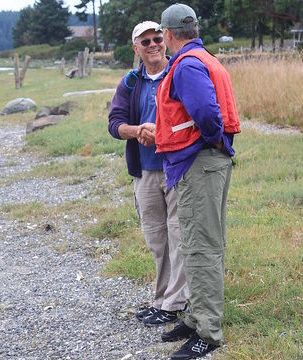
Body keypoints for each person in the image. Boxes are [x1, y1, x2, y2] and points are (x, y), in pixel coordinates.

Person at [139, 4, 240, 359]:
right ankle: (196, 317)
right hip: (200, 163)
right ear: (194, 29)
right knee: (199, 242)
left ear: (167, 34)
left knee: (201, 248)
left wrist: (211, 140)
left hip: (200, 163)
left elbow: (208, 114)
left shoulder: (187, 65)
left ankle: (208, 332)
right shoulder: (203, 57)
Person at [108, 21, 188, 327]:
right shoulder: (130, 82)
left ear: (166, 41)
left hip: (176, 167)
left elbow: (195, 117)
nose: (153, 44)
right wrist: (136, 130)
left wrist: (162, 133)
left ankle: (174, 304)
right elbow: (114, 122)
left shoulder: (180, 72)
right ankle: (162, 299)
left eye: (157, 38)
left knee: (179, 236)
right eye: (146, 41)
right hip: (144, 170)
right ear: (136, 48)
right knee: (157, 239)